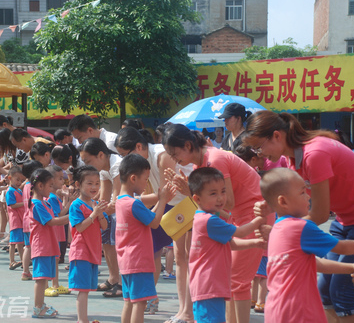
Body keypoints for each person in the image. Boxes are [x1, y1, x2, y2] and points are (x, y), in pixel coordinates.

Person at [244, 111, 354, 322]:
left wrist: (283, 230)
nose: (259, 154)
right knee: (325, 291)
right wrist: (273, 206)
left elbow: (319, 213)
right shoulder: (292, 159)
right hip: (346, 217)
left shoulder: (314, 153)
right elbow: (301, 200)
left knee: (342, 292)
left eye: (259, 146)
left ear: (277, 136)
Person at [162, 123, 271, 323]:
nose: (173, 158)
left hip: (252, 213)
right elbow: (210, 207)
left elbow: (227, 202)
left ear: (187, 145)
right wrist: (191, 193)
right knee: (232, 280)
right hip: (237, 217)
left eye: (173, 152)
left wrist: (190, 193)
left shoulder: (214, 160)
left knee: (237, 281)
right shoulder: (200, 165)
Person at [258, 167, 354, 323]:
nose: (308, 197)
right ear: (283, 201)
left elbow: (316, 264)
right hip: (299, 311)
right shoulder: (300, 227)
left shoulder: (277, 228)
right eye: (302, 193)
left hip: (276, 308)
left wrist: (352, 267)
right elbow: (341, 247)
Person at [114, 126, 190, 315]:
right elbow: (158, 202)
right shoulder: (135, 195)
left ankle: (182, 308)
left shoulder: (160, 156)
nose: (124, 159)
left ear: (138, 146)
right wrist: (159, 199)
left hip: (184, 205)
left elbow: (162, 197)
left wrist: (159, 199)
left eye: (124, 154)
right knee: (139, 302)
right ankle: (153, 298)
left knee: (183, 256)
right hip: (166, 209)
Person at [187, 167, 265, 323]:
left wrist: (256, 243)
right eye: (213, 193)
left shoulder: (206, 218)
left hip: (210, 286)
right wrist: (260, 218)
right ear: (197, 199)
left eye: (223, 191)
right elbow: (240, 232)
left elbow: (231, 243)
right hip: (209, 286)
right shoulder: (209, 220)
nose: (220, 198)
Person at [115, 154, 175, 323]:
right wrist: (162, 200)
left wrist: (162, 201)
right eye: (145, 179)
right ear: (133, 178)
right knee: (140, 304)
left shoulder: (122, 201)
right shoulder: (134, 203)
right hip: (139, 262)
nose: (146, 184)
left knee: (129, 302)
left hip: (126, 262)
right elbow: (155, 222)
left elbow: (149, 216)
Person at [79, 137, 123, 297]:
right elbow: (103, 198)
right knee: (106, 240)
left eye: (87, 160)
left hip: (128, 209)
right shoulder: (104, 168)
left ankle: (122, 283)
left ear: (100, 155)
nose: (86, 165)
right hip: (113, 210)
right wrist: (96, 213)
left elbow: (117, 199)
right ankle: (113, 278)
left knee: (117, 244)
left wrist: (94, 215)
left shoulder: (117, 164)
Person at [68, 165, 109, 323]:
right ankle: (82, 320)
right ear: (78, 184)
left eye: (97, 183)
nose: (94, 187)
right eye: (89, 183)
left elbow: (104, 226)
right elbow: (80, 227)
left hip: (93, 251)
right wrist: (94, 214)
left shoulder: (95, 203)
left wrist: (100, 214)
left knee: (87, 289)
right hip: (81, 251)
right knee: (83, 290)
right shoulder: (76, 206)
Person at [29, 168, 70, 319]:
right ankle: (38, 307)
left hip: (47, 246)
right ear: (40, 186)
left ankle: (41, 305)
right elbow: (52, 221)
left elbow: (56, 218)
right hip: (42, 247)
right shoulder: (37, 204)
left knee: (44, 278)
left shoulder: (43, 203)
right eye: (50, 185)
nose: (52, 188)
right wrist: (73, 216)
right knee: (41, 280)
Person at [45, 164, 77, 296]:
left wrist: (67, 200)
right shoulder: (51, 198)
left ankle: (55, 284)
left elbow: (60, 210)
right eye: (59, 178)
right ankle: (50, 285)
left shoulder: (54, 197)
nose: (62, 181)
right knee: (53, 259)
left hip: (57, 233)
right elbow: (59, 215)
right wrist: (70, 202)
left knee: (56, 259)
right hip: (54, 233)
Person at [21, 160, 43, 281]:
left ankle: (25, 271)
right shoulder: (36, 187)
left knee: (28, 247)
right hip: (34, 221)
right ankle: (36, 271)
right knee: (35, 247)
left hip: (25, 220)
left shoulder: (25, 185)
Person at [5, 166, 26, 271]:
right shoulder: (10, 191)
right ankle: (12, 261)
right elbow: (12, 205)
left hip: (20, 219)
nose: (19, 182)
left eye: (21, 180)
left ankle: (23, 260)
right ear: (10, 178)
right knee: (14, 242)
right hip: (15, 219)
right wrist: (25, 203)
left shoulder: (18, 190)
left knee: (19, 242)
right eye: (17, 179)